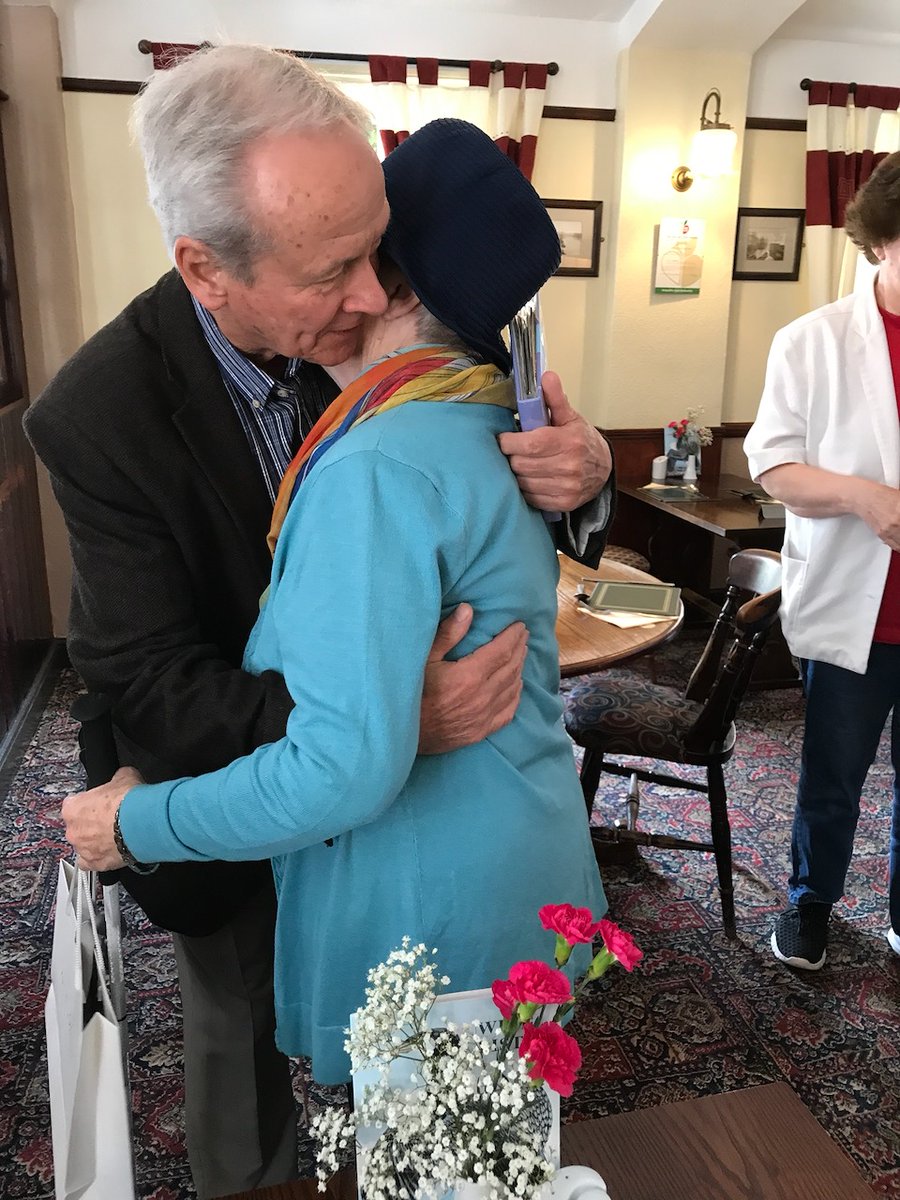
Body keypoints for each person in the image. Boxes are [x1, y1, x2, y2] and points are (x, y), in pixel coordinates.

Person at [25, 44, 614, 1197]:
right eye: (334, 268)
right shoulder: (100, 414)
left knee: (428, 1136)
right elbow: (146, 676)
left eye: (374, 253)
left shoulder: (408, 378)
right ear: (208, 269)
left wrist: (588, 473)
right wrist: (393, 717)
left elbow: (499, 446)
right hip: (220, 766)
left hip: (376, 834)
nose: (357, 295)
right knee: (242, 1069)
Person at [744, 150, 900, 972]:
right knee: (834, 775)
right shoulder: (814, 341)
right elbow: (774, 466)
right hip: (858, 612)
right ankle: (810, 906)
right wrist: (866, 498)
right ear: (879, 240)